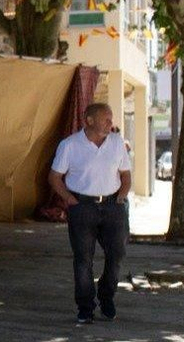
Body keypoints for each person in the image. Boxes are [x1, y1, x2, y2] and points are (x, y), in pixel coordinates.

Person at [48, 103, 132, 324]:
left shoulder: (116, 144)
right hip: (83, 206)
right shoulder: (70, 145)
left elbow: (125, 174)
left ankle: (107, 297)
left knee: (117, 254)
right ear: (89, 120)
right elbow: (54, 177)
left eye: (111, 118)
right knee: (83, 258)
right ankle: (85, 307)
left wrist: (122, 197)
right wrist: (69, 199)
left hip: (113, 205)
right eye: (105, 118)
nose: (110, 123)